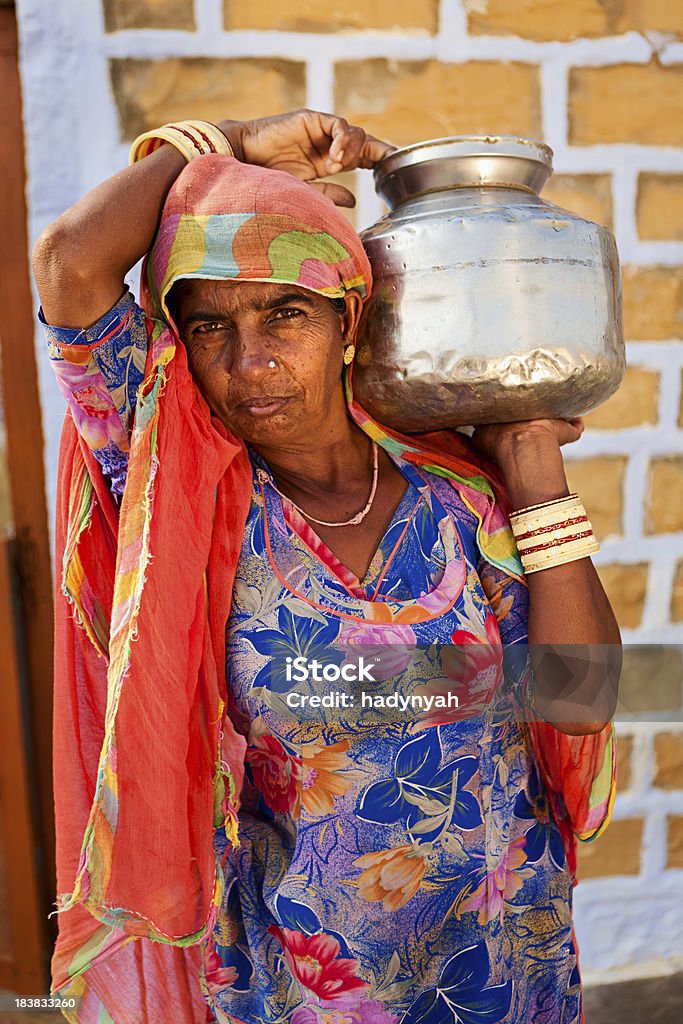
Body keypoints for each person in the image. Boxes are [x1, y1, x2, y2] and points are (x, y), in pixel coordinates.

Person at [33, 109, 621, 1024]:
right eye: (209, 326)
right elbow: (70, 260)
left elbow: (578, 698)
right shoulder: (190, 505)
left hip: (504, 961)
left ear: (348, 316)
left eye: (285, 313)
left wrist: (534, 472)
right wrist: (221, 141)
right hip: (304, 986)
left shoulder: (456, 496)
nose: (251, 361)